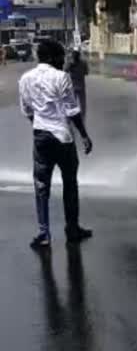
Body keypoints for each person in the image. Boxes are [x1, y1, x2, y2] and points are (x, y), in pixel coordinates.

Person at [19, 40, 93, 249]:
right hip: (63, 138)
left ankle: (44, 234)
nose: (64, 60)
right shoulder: (61, 77)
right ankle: (72, 229)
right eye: (61, 56)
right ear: (52, 57)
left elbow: (27, 111)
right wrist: (85, 135)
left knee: (41, 187)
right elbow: (72, 110)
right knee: (70, 183)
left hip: (41, 138)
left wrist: (40, 127)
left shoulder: (25, 78)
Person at [65, 49, 89, 121]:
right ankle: (83, 115)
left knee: (73, 101)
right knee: (82, 102)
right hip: (81, 85)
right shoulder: (83, 63)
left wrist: (69, 63)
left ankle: (73, 115)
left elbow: (65, 70)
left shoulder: (71, 64)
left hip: (73, 86)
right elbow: (86, 73)